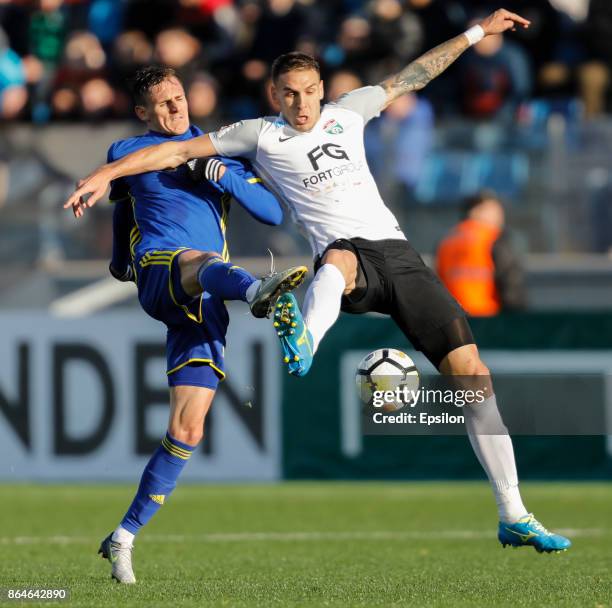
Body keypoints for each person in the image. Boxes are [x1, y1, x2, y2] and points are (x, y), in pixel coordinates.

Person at [64, 9, 571, 555]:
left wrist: (476, 33)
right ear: (275, 94)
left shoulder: (350, 112)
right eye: (289, 94)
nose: (300, 103)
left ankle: (513, 514)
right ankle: (302, 339)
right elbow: (175, 150)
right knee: (337, 259)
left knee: (474, 376)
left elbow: (415, 74)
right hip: (345, 260)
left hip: (399, 255)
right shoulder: (258, 135)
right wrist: (105, 174)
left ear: (322, 89)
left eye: (308, 92)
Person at [72, 65, 307, 584]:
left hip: (204, 302)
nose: (177, 108)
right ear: (143, 113)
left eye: (179, 98)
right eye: (164, 104)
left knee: (188, 428)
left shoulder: (217, 149)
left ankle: (124, 536)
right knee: (199, 257)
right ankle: (257, 292)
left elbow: (271, 213)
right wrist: (122, 261)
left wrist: (224, 175)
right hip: (164, 270)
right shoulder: (129, 152)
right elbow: (125, 207)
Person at [436, 191, 527, 316]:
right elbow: (511, 284)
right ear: (475, 211)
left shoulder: (446, 241)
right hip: (488, 319)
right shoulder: (495, 238)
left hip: (454, 322)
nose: (499, 217)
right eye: (493, 210)